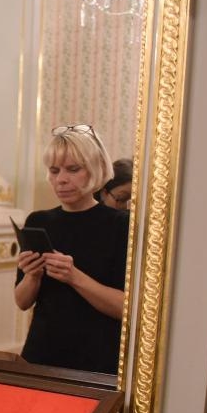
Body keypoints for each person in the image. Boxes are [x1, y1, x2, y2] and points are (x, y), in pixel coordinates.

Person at [14, 124, 129, 373]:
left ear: (96, 168)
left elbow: (124, 308)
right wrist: (32, 275)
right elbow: (22, 302)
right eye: (54, 171)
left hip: (96, 360)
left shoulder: (121, 225)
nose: (61, 179)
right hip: (41, 354)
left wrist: (74, 277)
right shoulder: (38, 221)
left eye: (73, 169)